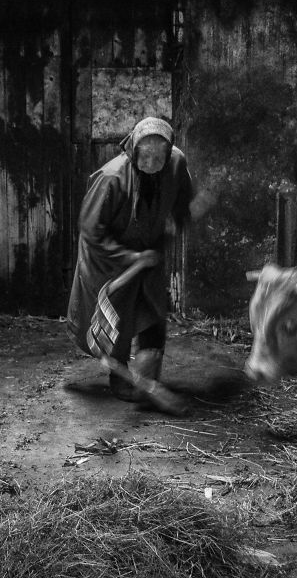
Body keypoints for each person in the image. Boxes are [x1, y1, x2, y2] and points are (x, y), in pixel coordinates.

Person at [66, 116, 196, 407]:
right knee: (116, 318)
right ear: (133, 151)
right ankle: (121, 376)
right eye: (145, 156)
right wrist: (129, 257)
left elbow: (182, 202)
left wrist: (177, 221)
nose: (151, 163)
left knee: (153, 310)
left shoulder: (175, 164)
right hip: (108, 257)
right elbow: (90, 230)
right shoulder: (111, 177)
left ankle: (148, 378)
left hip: (149, 252)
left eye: (158, 156)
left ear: (169, 152)